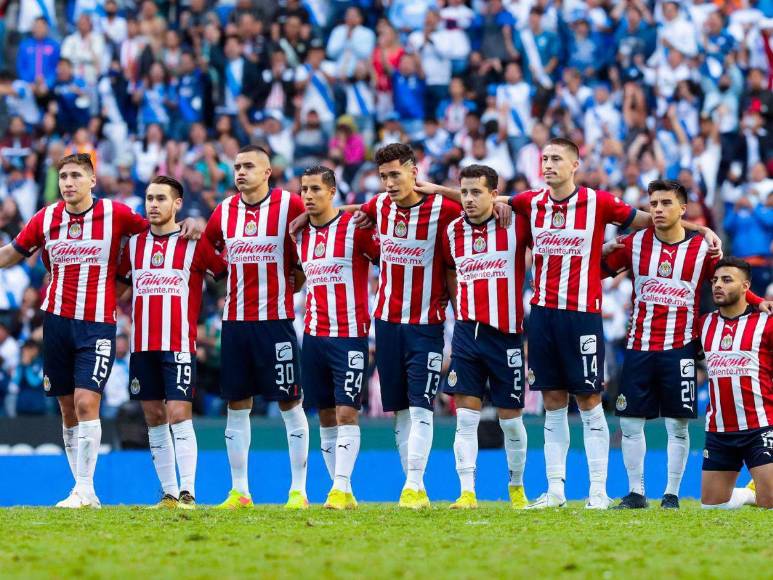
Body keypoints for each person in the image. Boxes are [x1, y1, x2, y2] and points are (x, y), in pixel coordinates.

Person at [435, 137, 720, 508]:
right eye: (545, 158)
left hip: (582, 315)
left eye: (557, 158)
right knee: (553, 401)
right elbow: (486, 200)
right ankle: (556, 490)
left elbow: (655, 220)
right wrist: (430, 188)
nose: (549, 164)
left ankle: (598, 491)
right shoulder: (529, 202)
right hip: (542, 316)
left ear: (575, 165)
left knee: (589, 400)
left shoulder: (598, 202)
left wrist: (699, 230)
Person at [0, 153, 197, 508]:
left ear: (93, 180)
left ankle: (87, 489)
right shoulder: (46, 218)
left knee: (86, 400)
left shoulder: (116, 215)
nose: (68, 182)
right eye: (63, 176)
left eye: (76, 175)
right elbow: (13, 252)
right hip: (56, 323)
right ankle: (81, 489)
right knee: (67, 408)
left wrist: (192, 222)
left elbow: (158, 229)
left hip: (97, 325)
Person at [603, 180, 768, 510]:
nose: (658, 209)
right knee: (631, 422)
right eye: (653, 203)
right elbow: (596, 271)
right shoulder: (634, 244)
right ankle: (636, 493)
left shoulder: (701, 250)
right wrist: (601, 251)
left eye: (666, 202)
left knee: (677, 423)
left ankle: (671, 495)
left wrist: (757, 300)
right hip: (639, 345)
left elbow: (728, 278)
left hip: (681, 347)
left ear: (683, 209)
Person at [204, 145, 310, 510]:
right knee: (237, 404)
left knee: (289, 401)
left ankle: (298, 490)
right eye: (236, 166)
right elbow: (208, 252)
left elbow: (302, 261)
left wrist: (288, 288)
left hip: (275, 322)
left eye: (248, 166)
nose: (240, 172)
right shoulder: (224, 211)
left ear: (267, 172)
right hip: (234, 323)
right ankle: (240, 491)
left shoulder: (290, 205)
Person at [357, 143, 462, 509]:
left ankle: (414, 485)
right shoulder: (379, 206)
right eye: (383, 176)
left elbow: (477, 201)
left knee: (421, 407)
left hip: (426, 325)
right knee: (400, 411)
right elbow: (357, 210)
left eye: (395, 174)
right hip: (386, 323)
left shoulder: (442, 210)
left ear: (413, 171)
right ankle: (413, 486)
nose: (388, 183)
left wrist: (441, 189)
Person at [117, 176, 227, 510]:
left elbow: (223, 277)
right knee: (153, 416)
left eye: (161, 198)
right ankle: (167, 493)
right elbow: (119, 287)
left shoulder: (193, 241)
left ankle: (188, 493)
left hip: (178, 343)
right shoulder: (134, 244)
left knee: (179, 414)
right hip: (142, 346)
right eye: (149, 198)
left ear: (177, 204)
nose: (153, 204)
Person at [440, 164, 530, 509]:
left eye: (476, 192)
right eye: (464, 192)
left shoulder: (516, 224)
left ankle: (517, 488)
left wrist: (508, 205)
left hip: (506, 335)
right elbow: (449, 271)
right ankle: (467, 492)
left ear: (494, 194)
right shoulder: (452, 232)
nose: (468, 199)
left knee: (511, 420)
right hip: (466, 333)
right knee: (465, 417)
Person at [295, 166, 379, 510]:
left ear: (332, 192)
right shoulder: (300, 236)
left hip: (349, 336)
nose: (309, 195)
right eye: (304, 189)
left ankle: (342, 487)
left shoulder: (353, 230)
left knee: (347, 412)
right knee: (326, 415)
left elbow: (384, 255)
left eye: (316, 189)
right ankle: (339, 489)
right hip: (313, 336)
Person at [700, 258, 773, 510]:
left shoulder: (766, 323)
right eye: (715, 280)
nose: (718, 285)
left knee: (771, 504)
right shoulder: (704, 324)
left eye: (727, 280)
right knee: (711, 508)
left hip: (760, 427)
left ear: (746, 287)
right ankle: (747, 494)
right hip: (719, 430)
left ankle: (759, 492)